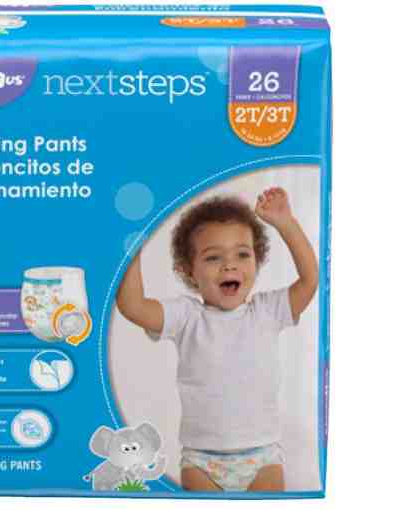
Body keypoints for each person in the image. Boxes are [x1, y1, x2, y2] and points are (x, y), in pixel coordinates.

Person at [116, 187, 318, 491]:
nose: (229, 265)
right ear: (189, 271)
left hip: (263, 456)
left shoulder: (267, 311)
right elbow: (133, 306)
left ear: (257, 261)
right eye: (213, 257)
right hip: (201, 460)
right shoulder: (187, 316)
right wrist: (134, 249)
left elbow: (310, 280)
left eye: (242, 254)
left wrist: (285, 223)